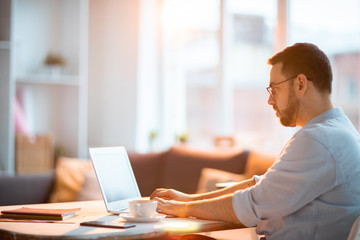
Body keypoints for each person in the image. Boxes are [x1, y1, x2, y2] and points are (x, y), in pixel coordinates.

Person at [150, 43, 360, 240]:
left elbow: (253, 203)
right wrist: (187, 199)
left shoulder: (318, 140)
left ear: (300, 84)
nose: (270, 100)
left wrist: (182, 209)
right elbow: (262, 185)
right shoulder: (339, 132)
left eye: (274, 89)